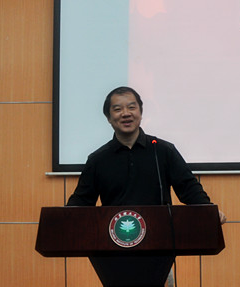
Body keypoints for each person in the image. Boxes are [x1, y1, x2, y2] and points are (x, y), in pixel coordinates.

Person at [67, 86, 226, 224]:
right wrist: (62, 218)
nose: (126, 113)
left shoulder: (163, 150)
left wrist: (209, 211)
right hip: (114, 242)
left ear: (141, 112)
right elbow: (82, 201)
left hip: (159, 238)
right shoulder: (98, 159)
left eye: (131, 107)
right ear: (108, 118)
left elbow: (189, 188)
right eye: (117, 109)